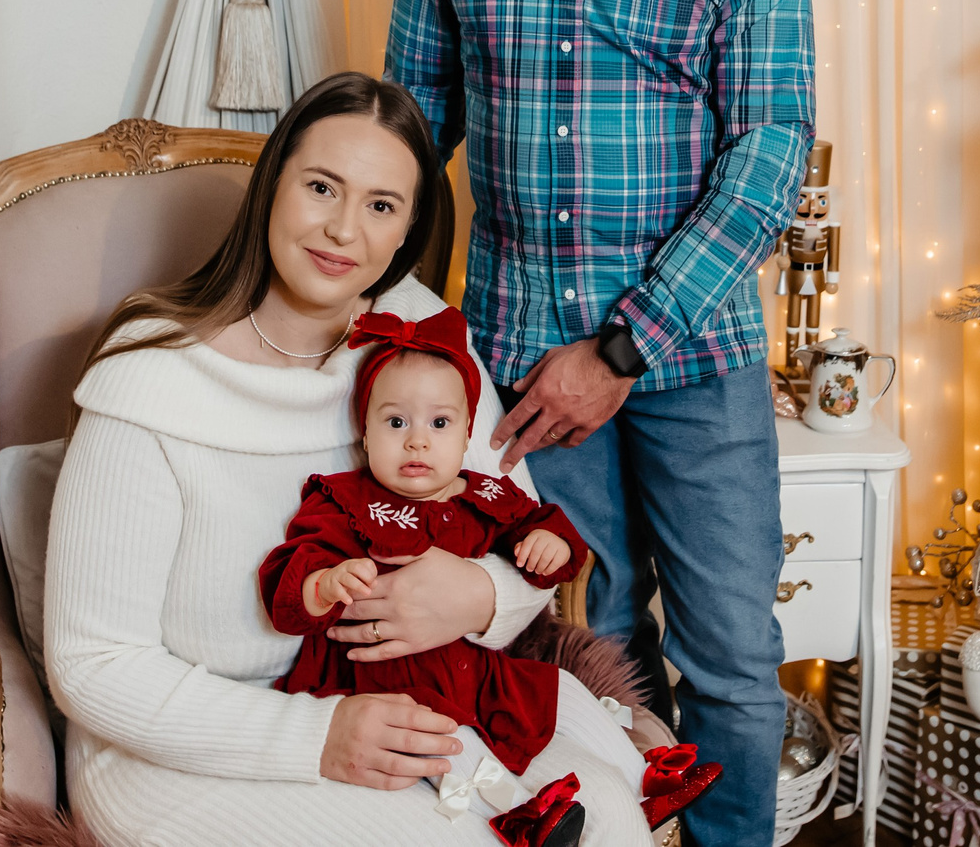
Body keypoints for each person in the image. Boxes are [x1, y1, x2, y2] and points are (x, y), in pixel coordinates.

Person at [385, 0, 816, 847]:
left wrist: (617, 353)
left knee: (733, 657)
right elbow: (413, 145)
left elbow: (767, 158)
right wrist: (387, 331)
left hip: (693, 360)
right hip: (516, 356)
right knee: (579, 645)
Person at [42, 72, 653, 846]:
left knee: (611, 822)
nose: (342, 230)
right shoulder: (153, 375)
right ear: (272, 186)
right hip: (186, 743)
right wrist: (314, 734)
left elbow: (518, 538)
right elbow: (95, 666)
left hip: (416, 700)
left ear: (407, 231)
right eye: (322, 186)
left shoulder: (419, 336)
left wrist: (474, 591)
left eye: (381, 205)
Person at [260, 309, 721, 844]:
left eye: (439, 424)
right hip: (391, 687)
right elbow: (288, 578)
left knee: (564, 689)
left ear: (464, 436)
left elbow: (544, 526)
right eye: (395, 422)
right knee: (441, 741)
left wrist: (552, 543)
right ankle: (518, 814)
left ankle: (646, 778)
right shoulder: (346, 501)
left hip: (479, 674)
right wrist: (324, 584)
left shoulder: (484, 494)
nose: (417, 442)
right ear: (364, 434)